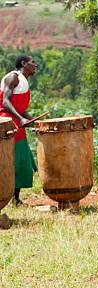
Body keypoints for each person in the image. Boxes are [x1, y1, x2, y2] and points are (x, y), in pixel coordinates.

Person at [0, 55, 37, 206]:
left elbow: (21, 109)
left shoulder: (24, 81)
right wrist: (20, 119)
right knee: (8, 160)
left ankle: (16, 199)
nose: (35, 65)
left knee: (21, 162)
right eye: (32, 62)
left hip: (17, 125)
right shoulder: (12, 77)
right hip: (6, 123)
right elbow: (5, 101)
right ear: (23, 63)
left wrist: (35, 122)